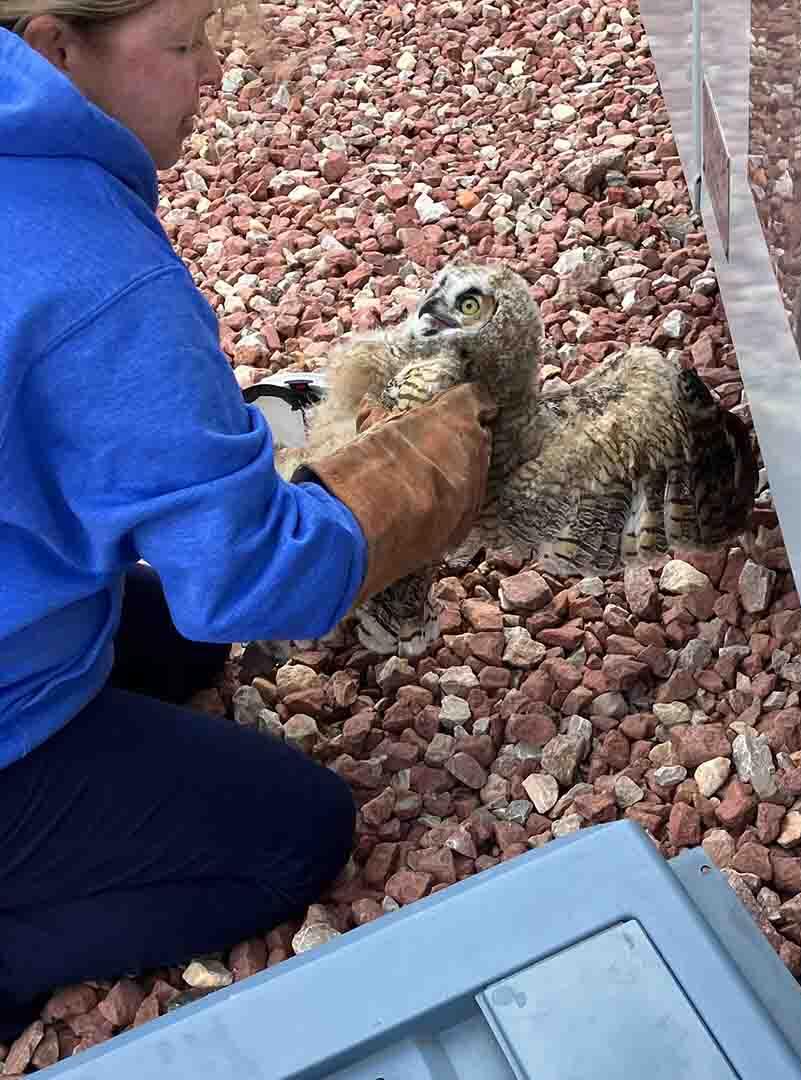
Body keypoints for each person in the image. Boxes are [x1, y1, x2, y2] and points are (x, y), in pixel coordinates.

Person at [0, 0, 496, 1041]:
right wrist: (402, 488)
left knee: (180, 640)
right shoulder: (93, 274)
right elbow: (254, 577)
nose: (214, 74)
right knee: (294, 833)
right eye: (182, 46)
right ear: (54, 48)